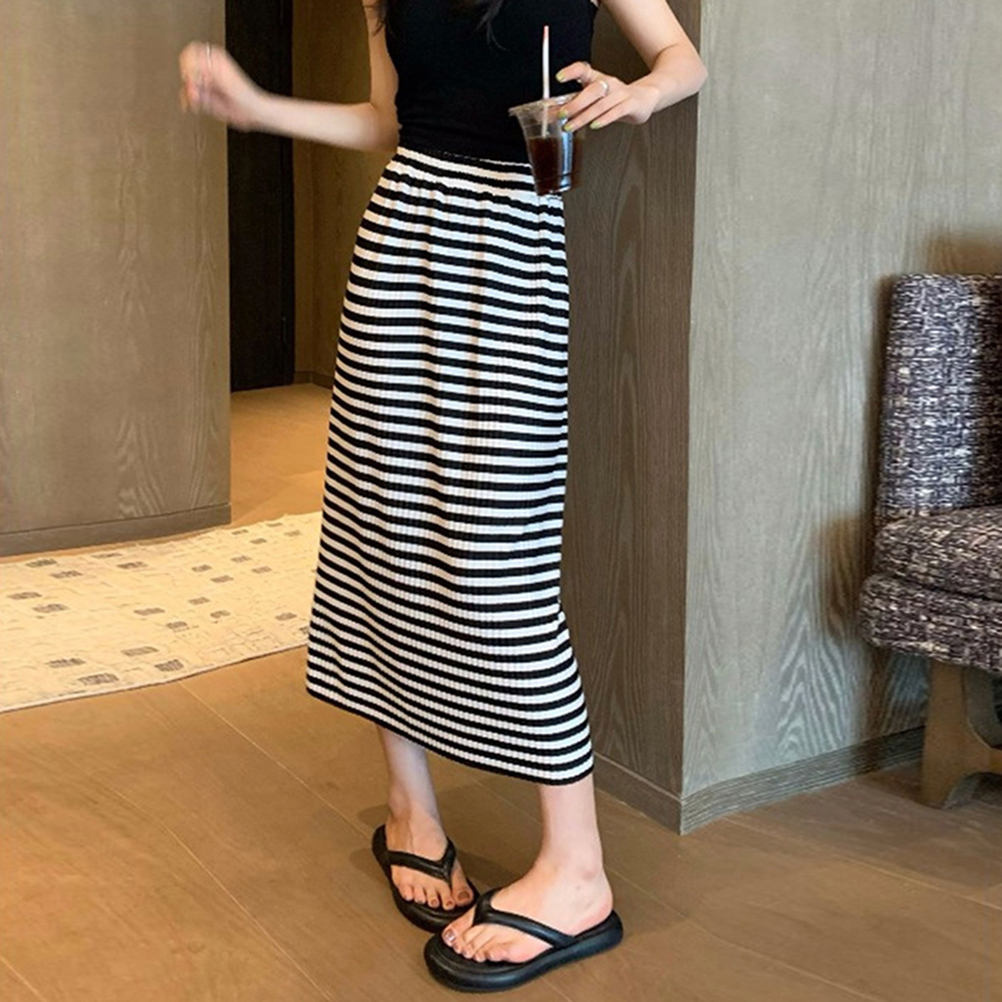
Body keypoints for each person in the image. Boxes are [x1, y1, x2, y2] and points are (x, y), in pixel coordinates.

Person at [179, 0, 705, 991]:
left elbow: (684, 59)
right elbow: (390, 122)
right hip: (398, 247)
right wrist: (259, 107)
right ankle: (409, 811)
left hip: (511, 252)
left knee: (500, 566)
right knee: (380, 535)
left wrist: (636, 95)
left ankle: (577, 871)